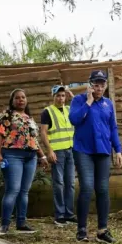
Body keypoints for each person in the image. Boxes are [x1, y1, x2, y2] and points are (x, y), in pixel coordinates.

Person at [69, 70, 122, 244]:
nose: (99, 88)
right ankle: (82, 229)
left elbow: (113, 128)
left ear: (106, 86)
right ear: (90, 85)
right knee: (86, 187)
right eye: (96, 84)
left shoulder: (108, 104)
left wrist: (118, 150)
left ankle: (102, 230)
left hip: (103, 151)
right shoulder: (78, 100)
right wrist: (89, 101)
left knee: (103, 189)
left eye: (102, 85)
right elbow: (74, 119)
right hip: (83, 150)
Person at [0, 89, 49, 236]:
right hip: (12, 155)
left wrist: (42, 156)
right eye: (17, 98)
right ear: (12, 101)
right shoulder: (6, 115)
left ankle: (21, 223)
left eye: (23, 97)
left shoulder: (29, 118)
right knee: (13, 190)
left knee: (24, 191)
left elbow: (33, 139)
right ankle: (4, 225)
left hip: (31, 157)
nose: (21, 100)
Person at [39, 85, 78, 226]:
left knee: (70, 183)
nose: (61, 98)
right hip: (57, 152)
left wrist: (72, 95)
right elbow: (43, 132)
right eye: (58, 96)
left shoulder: (69, 109)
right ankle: (59, 215)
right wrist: (49, 151)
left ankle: (69, 214)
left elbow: (81, 107)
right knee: (59, 183)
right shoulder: (47, 111)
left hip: (71, 150)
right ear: (53, 96)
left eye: (63, 95)